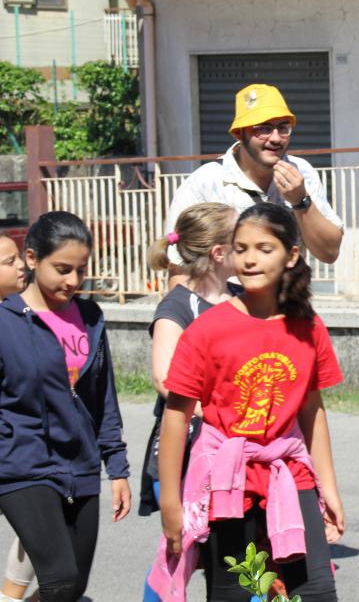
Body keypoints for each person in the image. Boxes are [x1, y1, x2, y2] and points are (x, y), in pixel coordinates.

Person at [149, 203, 345, 602]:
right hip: (227, 477)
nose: (250, 259)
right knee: (233, 592)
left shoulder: (308, 326)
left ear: (292, 255)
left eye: (263, 248)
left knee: (317, 590)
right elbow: (176, 416)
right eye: (241, 249)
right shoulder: (208, 329)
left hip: (289, 472)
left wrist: (328, 488)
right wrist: (171, 503)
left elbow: (312, 411)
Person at [0, 211, 131, 602]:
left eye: (81, 270)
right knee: (59, 579)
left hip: (81, 463)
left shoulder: (90, 317)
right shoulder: (5, 322)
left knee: (73, 587)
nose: (73, 281)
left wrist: (117, 465)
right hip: (23, 465)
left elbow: (103, 396)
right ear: (32, 258)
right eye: (62, 269)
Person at [139, 202, 239, 602]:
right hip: (186, 449)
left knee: (237, 555)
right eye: (241, 241)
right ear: (218, 252)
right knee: (179, 554)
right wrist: (217, 413)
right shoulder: (177, 307)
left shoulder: (242, 298)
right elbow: (165, 379)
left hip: (234, 449)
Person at [164, 83, 343, 272]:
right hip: (227, 291)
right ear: (238, 133)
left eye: (283, 128)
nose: (275, 138)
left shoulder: (301, 172)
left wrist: (301, 202)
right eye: (263, 129)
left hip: (288, 290)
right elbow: (178, 265)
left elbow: (329, 253)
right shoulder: (205, 183)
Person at [0, 234, 34, 602]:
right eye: (9, 262)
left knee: (42, 521)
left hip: (19, 446)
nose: (21, 265)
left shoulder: (22, 313)